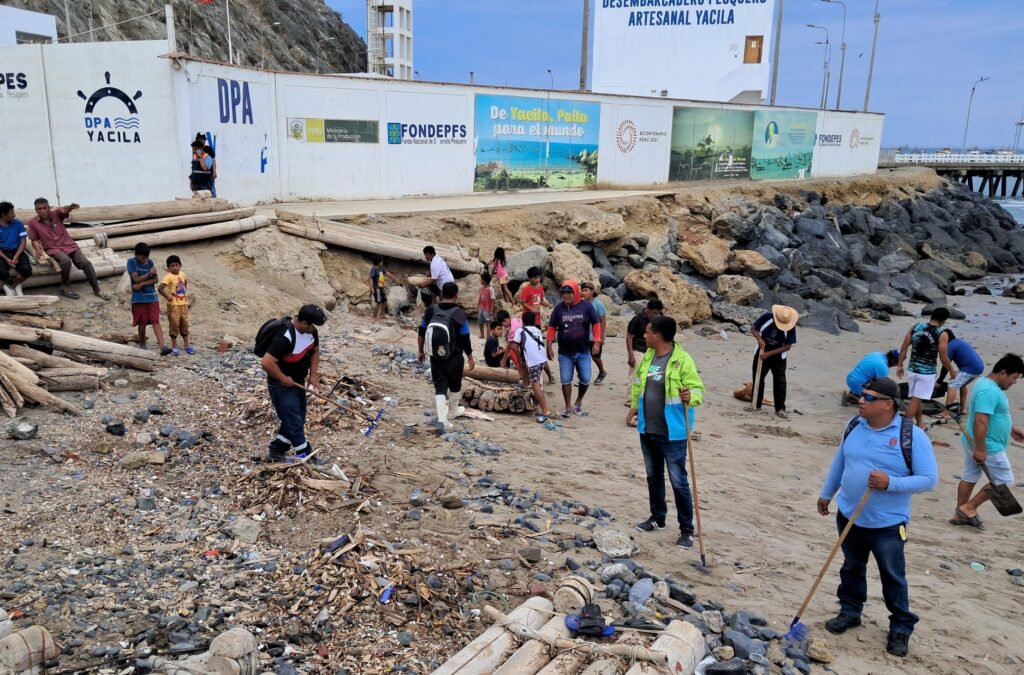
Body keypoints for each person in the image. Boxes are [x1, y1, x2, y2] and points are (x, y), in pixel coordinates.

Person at [817, 377, 938, 658]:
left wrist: (889, 483)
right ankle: (850, 611)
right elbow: (841, 461)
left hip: (888, 522)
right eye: (861, 395)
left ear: (887, 404)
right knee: (851, 567)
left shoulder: (912, 435)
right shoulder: (854, 426)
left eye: (869, 398)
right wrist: (827, 493)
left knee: (892, 576)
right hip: (849, 513)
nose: (861, 400)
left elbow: (929, 480)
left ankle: (900, 628)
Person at [628, 315, 705, 549]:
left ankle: (687, 530)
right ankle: (657, 517)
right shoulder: (649, 357)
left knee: (679, 482)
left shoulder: (683, 361)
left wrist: (691, 396)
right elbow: (638, 384)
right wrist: (633, 408)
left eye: (648, 332)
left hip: (673, 432)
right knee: (653, 476)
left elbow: (697, 389)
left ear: (658, 335)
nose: (644, 335)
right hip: (648, 427)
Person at [950, 354, 1024, 529]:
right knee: (1004, 479)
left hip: (974, 441)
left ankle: (959, 514)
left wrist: (1011, 429)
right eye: (1014, 378)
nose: (1014, 383)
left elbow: (994, 414)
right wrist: (981, 450)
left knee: (970, 475)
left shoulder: (985, 383)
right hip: (987, 445)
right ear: (1004, 372)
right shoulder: (989, 391)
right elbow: (980, 421)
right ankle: (969, 508)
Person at [260, 305, 326, 463]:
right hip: (281, 385)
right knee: (294, 421)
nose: (315, 329)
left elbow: (315, 351)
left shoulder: (311, 332)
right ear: (304, 323)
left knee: (298, 418)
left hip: (298, 382)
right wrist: (283, 378)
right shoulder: (286, 336)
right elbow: (267, 362)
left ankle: (276, 450)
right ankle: (306, 455)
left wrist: (313, 376)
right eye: (313, 326)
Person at [418, 281, 475, 431]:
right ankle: (452, 412)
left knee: (440, 387)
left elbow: (421, 331)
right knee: (455, 384)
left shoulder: (431, 310)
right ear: (456, 296)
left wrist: (420, 351)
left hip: (435, 356)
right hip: (454, 357)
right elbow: (465, 337)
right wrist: (470, 356)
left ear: (442, 295)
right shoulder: (459, 313)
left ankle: (442, 420)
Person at [27, 198, 110, 300]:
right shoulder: (33, 223)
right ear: (36, 210)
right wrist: (38, 249)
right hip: (53, 248)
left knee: (86, 263)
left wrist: (70, 207)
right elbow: (34, 239)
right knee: (66, 261)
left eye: (44, 208)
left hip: (69, 245)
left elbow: (64, 210)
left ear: (49, 208)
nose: (42, 210)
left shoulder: (56, 214)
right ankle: (65, 286)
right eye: (39, 209)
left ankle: (97, 290)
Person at [547, 280, 602, 418]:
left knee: (586, 378)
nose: (566, 296)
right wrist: (549, 345)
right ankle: (568, 406)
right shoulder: (559, 309)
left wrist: (597, 342)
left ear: (575, 292)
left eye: (569, 293)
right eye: (563, 293)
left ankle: (578, 402)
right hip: (564, 352)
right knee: (565, 379)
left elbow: (596, 324)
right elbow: (551, 327)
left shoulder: (586, 307)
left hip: (583, 351)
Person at [896, 307, 950, 429]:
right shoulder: (942, 333)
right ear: (944, 320)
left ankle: (920, 424)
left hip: (912, 370)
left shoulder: (916, 327)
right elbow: (943, 357)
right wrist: (951, 371)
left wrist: (899, 365)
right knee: (916, 400)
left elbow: (904, 347)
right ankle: (902, 427)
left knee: (916, 399)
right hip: (926, 373)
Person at [751, 305, 799, 418]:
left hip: (778, 357)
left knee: (780, 382)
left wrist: (769, 354)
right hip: (761, 353)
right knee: (758, 378)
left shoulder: (790, 326)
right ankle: (755, 404)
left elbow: (787, 347)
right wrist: (759, 339)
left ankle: (780, 408)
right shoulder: (767, 317)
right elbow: (754, 328)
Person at [127, 243, 170, 356]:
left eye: (146, 257)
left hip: (152, 296)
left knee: (155, 321)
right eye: (142, 258)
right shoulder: (131, 262)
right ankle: (142, 344)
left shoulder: (150, 262)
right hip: (139, 298)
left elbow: (155, 280)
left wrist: (142, 284)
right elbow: (135, 279)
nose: (145, 260)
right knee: (142, 322)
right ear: (136, 254)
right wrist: (149, 274)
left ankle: (162, 346)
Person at [510, 311, 553, 423]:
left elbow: (514, 345)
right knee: (526, 366)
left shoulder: (520, 330)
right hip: (542, 360)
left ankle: (545, 412)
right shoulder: (538, 330)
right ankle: (525, 384)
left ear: (523, 321)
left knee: (536, 385)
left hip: (534, 362)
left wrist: (519, 357)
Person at [938, 332, 984, 418]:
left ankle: (946, 412)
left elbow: (945, 365)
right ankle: (963, 409)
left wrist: (939, 381)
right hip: (979, 367)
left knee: (952, 385)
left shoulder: (950, 346)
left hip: (970, 368)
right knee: (962, 384)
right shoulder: (958, 342)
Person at [157, 255, 193, 355]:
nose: (174, 267)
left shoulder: (182, 274)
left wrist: (184, 293)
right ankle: (175, 346)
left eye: (176, 265)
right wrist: (168, 297)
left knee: (185, 323)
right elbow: (160, 288)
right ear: (168, 268)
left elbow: (185, 282)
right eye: (172, 266)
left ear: (180, 265)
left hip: (183, 304)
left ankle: (187, 345)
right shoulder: (168, 277)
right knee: (174, 324)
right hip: (173, 306)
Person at [627, 299, 664, 380]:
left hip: (651, 352)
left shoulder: (657, 320)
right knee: (634, 377)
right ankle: (632, 393)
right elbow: (629, 337)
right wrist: (631, 355)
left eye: (657, 313)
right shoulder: (637, 319)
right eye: (654, 312)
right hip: (638, 351)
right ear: (647, 308)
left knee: (649, 377)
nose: (655, 315)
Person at [0, 202, 32, 297]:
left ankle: (14, 285)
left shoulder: (18, 224)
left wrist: (17, 255)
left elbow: (23, 241)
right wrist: (7, 259)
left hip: (17, 251)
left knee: (27, 269)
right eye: (11, 213)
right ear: (3, 215)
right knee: (1, 271)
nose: (14, 215)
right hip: (2, 253)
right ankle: (9, 285)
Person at [581, 282, 608, 385]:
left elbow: (602, 320)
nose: (583, 293)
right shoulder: (581, 303)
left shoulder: (598, 304)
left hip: (595, 335)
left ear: (592, 292)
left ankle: (602, 372)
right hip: (584, 335)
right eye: (582, 290)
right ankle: (584, 377)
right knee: (583, 356)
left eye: (586, 290)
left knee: (595, 356)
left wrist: (601, 337)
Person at [368, 255, 400, 322]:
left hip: (381, 288)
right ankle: (374, 317)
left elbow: (387, 274)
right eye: (382, 261)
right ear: (379, 262)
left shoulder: (381, 269)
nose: (382, 262)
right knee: (378, 302)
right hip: (377, 289)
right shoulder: (373, 269)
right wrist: (371, 288)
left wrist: (396, 279)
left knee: (384, 301)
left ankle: (382, 314)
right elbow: (370, 278)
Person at [195, 133, 217, 197]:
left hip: (209, 175)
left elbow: (213, 160)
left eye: (203, 140)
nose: (202, 141)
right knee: (200, 195)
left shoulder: (209, 149)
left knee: (212, 193)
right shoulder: (195, 150)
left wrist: (214, 171)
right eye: (200, 140)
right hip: (199, 177)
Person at [477, 271, 496, 339]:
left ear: (484, 281)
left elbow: (493, 300)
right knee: (480, 322)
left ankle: (488, 336)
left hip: (487, 309)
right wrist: (478, 305)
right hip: (481, 308)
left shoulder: (491, 289)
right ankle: (482, 335)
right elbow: (480, 297)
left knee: (488, 323)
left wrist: (491, 310)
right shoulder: (481, 288)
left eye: (481, 279)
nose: (480, 280)